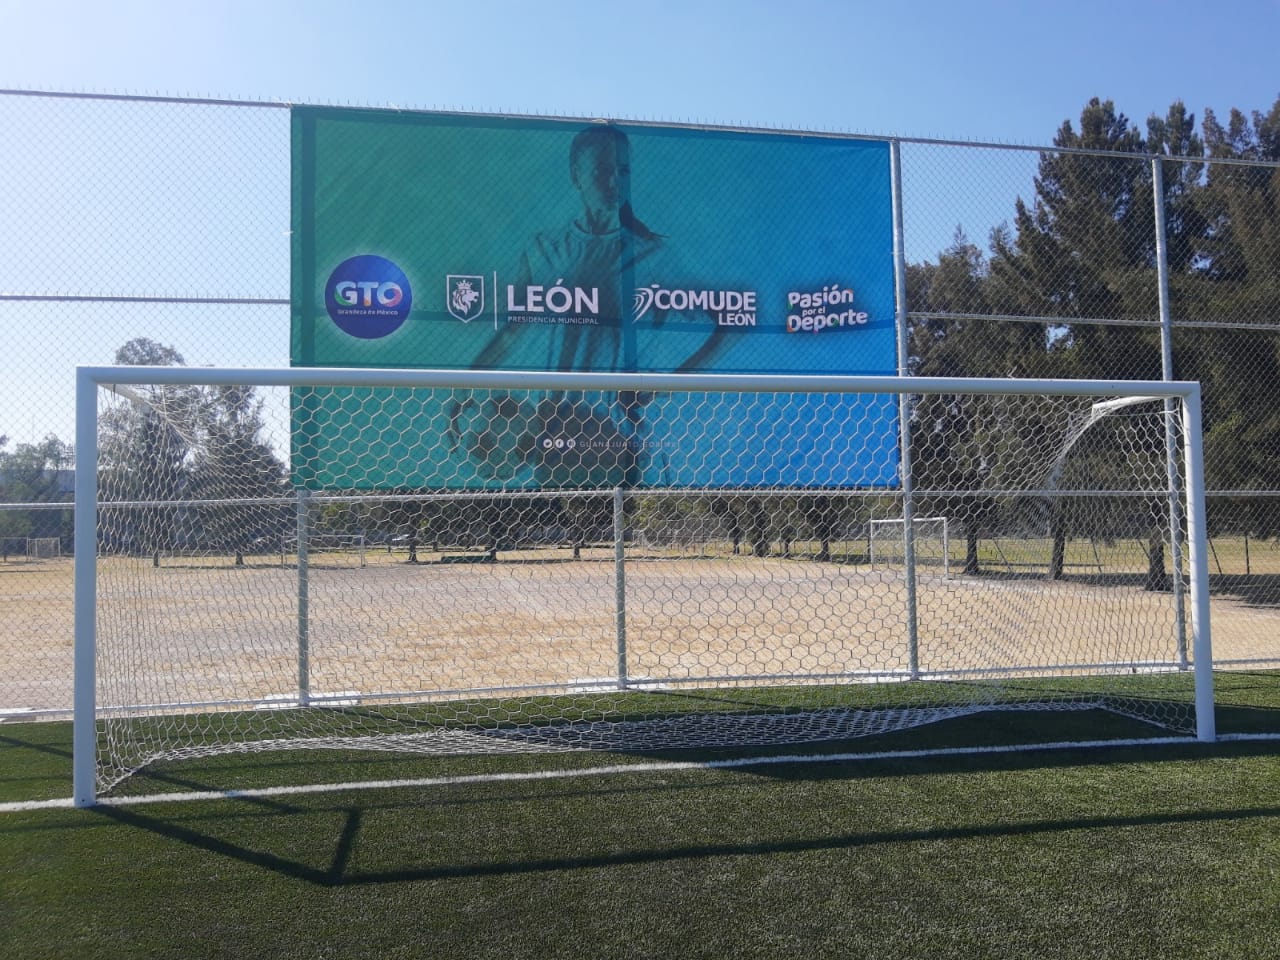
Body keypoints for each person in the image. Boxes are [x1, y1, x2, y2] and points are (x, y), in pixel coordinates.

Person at [455, 125, 726, 488]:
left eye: (623, 171)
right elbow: (512, 331)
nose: (614, 182)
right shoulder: (544, 248)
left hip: (618, 439)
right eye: (601, 171)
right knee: (557, 521)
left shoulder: (653, 255)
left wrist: (670, 383)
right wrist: (464, 385)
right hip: (551, 440)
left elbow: (731, 321)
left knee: (619, 519)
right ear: (576, 176)